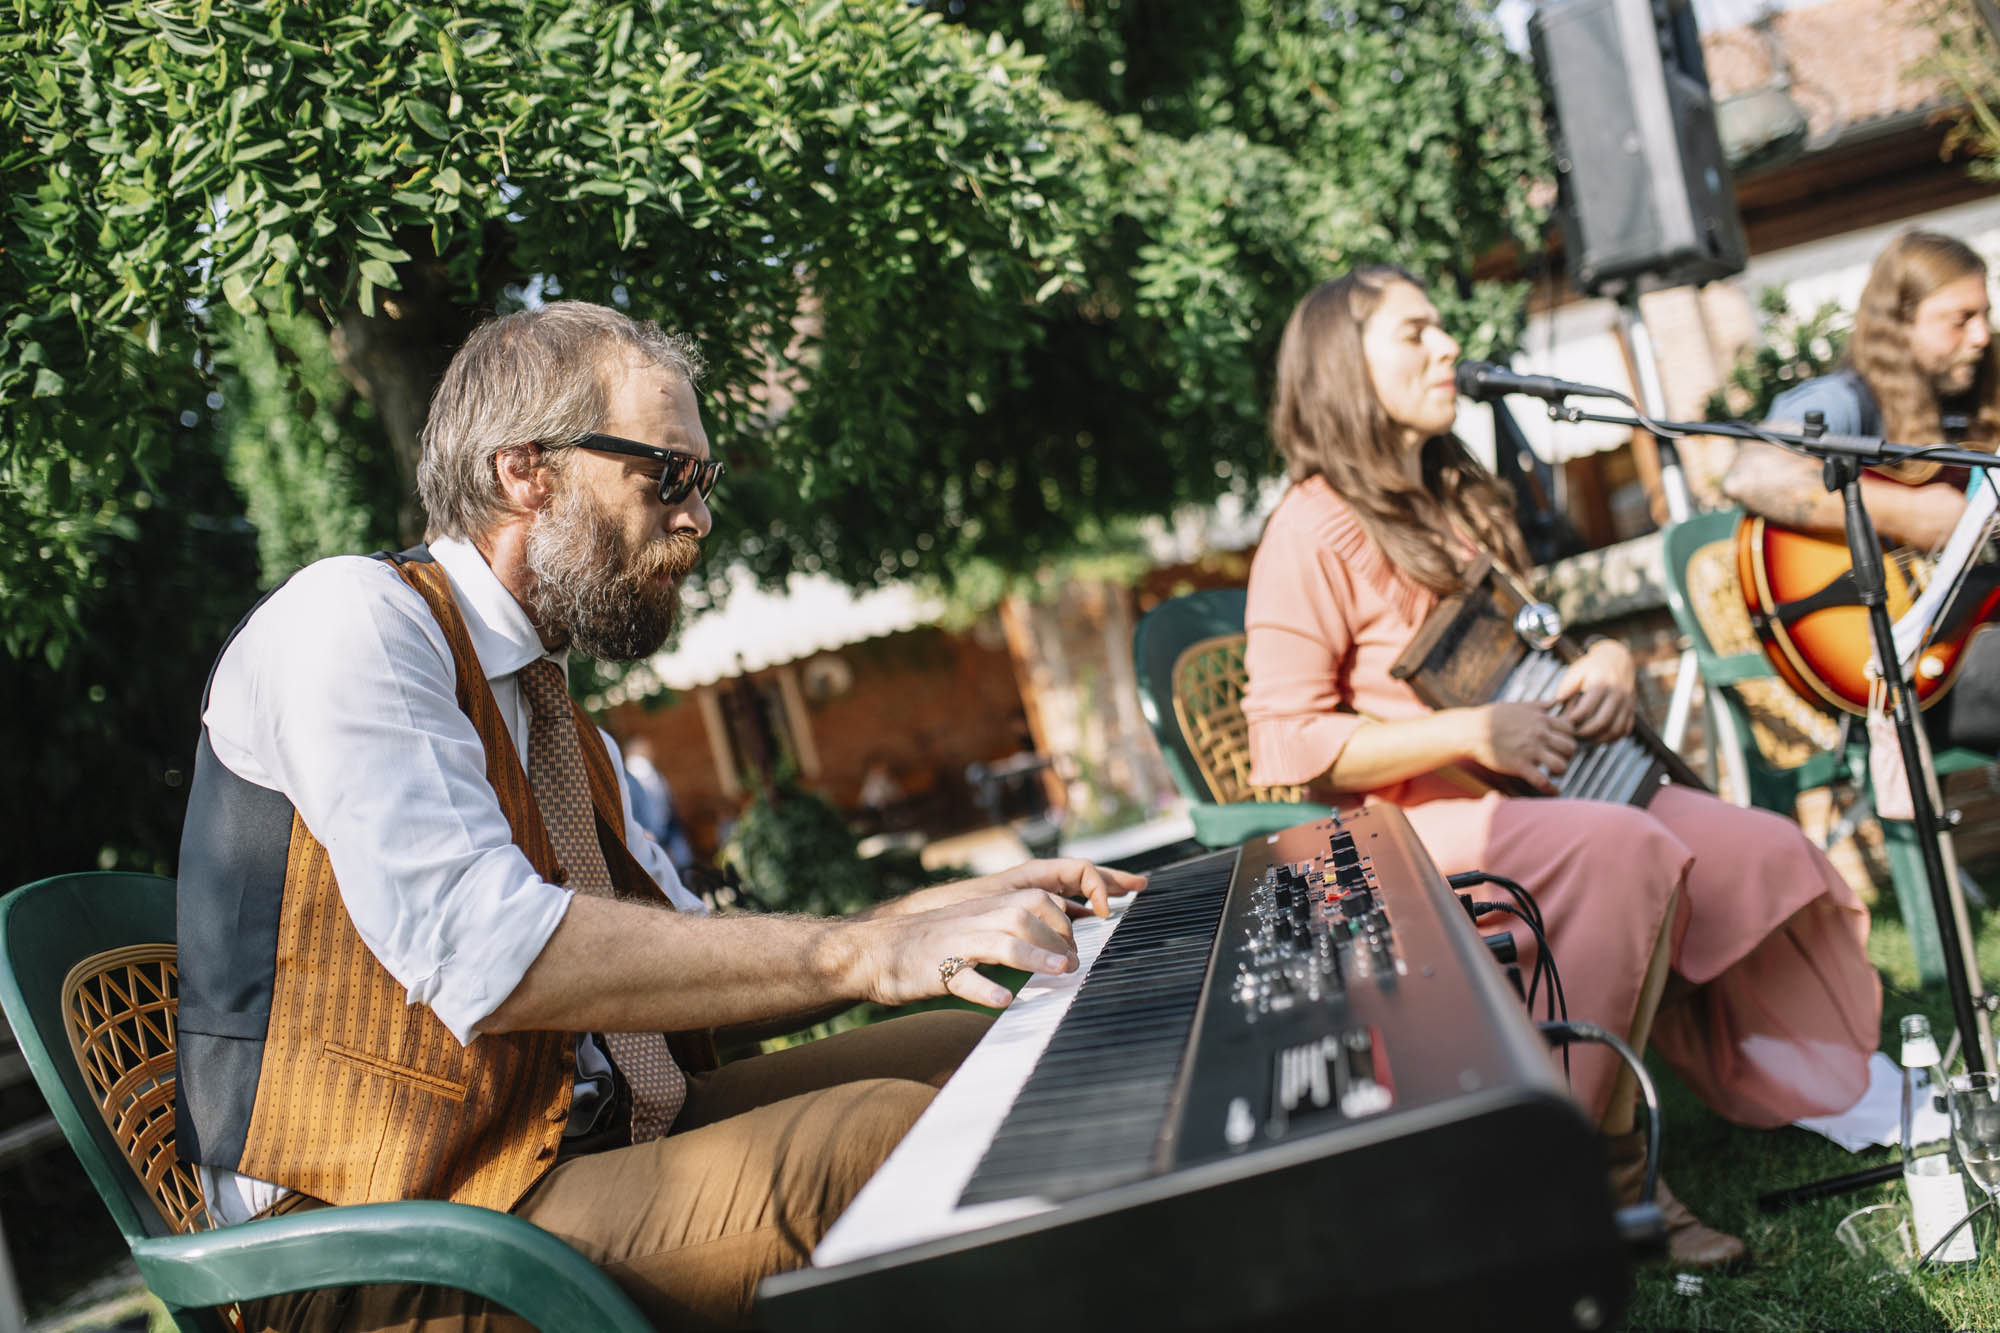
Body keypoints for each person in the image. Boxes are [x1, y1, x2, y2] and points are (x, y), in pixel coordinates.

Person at [175, 300, 1144, 1333]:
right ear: (525, 470)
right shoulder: (351, 623)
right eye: (666, 474)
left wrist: (923, 920)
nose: (697, 517)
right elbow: (487, 951)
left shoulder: (555, 723)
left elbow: (689, 975)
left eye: (704, 480)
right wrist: (860, 958)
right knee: (880, 1145)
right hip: (375, 1240)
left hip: (548, 1153)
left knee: (972, 1055)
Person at [1240, 267, 1883, 1268]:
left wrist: (1606, 664)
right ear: (1340, 365)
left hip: (1544, 788)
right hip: (1401, 836)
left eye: (1441, 325)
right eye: (1414, 333)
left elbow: (1529, 647)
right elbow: (1283, 746)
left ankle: (1777, 1082)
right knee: (1625, 852)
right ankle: (1597, 1170)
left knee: (1752, 845)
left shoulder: (1452, 499)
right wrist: (1467, 739)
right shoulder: (1308, 526)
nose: (1446, 345)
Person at [1723, 229, 2000, 751]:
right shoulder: (1846, 401)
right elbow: (1751, 474)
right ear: (1900, 324)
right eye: (1961, 320)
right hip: (1900, 673)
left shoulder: (1982, 401)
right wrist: (1910, 513)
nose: (1983, 336)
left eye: (1985, 315)